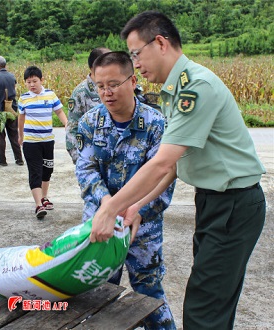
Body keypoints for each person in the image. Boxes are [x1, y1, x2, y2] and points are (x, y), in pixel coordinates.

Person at [90, 11, 265, 330]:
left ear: (160, 43)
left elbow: (162, 162)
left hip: (233, 204)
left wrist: (110, 208)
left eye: (136, 53)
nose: (136, 63)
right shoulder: (176, 90)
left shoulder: (194, 88)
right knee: (214, 301)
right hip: (216, 202)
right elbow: (174, 167)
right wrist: (136, 206)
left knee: (204, 308)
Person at [76, 51, 176, 329]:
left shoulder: (156, 124)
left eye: (114, 84)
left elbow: (165, 176)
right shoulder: (89, 123)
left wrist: (139, 210)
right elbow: (86, 170)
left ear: (133, 81)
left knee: (149, 294)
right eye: (100, 86)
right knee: (97, 296)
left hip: (142, 229)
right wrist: (108, 205)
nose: (107, 92)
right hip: (100, 225)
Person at [17, 65, 68, 219]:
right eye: (28, 82)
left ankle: (44, 198)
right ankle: (39, 205)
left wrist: (66, 124)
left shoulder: (50, 95)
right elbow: (21, 118)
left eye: (34, 81)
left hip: (47, 141)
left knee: (47, 170)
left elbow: (59, 111)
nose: (32, 85)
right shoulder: (23, 98)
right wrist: (20, 136)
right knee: (35, 172)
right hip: (31, 142)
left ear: (41, 80)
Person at [66, 47, 110, 164]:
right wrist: (83, 163)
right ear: (93, 67)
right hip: (92, 161)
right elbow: (72, 130)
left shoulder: (116, 87)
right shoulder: (81, 93)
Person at [0, 55, 24, 166]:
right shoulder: (11, 76)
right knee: (14, 135)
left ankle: (2, 160)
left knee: (0, 135)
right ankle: (19, 159)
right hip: (12, 109)